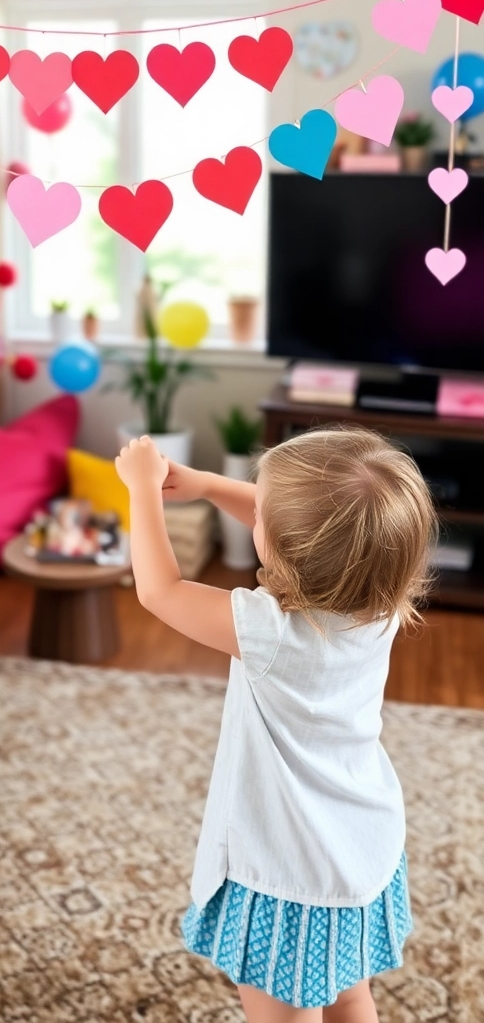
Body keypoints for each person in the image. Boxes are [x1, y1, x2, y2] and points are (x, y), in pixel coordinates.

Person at [115, 427, 436, 1023]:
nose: (254, 510)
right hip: (360, 847)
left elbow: (160, 590)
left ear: (283, 546)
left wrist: (142, 491)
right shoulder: (380, 601)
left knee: (285, 1016)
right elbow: (303, 527)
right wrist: (210, 487)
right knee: (349, 996)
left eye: (260, 509)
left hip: (286, 873)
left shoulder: (270, 633)